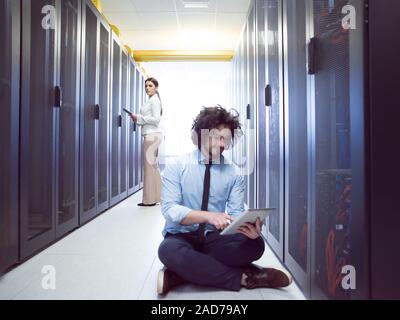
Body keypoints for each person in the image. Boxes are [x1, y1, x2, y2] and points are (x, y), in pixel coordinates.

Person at [157, 106, 292, 295]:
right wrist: (208, 216)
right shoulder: (177, 166)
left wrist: (247, 230)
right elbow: (170, 209)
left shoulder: (234, 172)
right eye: (218, 137)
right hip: (181, 237)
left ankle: (181, 274)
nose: (222, 144)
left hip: (215, 238)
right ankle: (246, 277)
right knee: (167, 251)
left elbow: (236, 213)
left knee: (255, 245)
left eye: (226, 140)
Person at [129, 77, 163, 207]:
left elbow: (156, 119)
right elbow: (149, 119)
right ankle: (159, 197)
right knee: (153, 166)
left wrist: (139, 117)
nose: (147, 88)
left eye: (150, 85)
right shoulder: (152, 100)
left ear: (156, 88)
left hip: (151, 136)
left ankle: (149, 201)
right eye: (146, 86)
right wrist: (137, 119)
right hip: (153, 135)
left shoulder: (154, 101)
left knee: (149, 167)